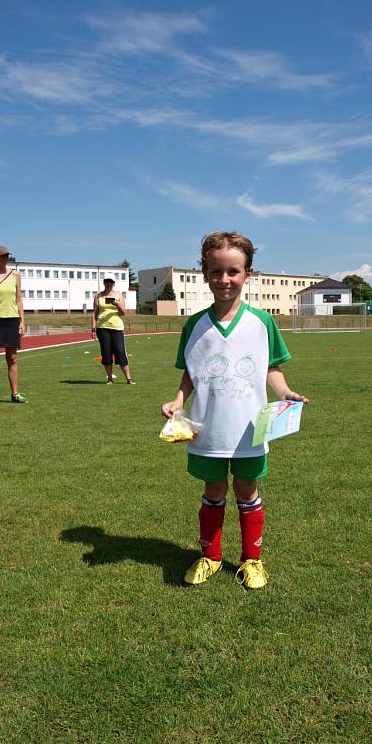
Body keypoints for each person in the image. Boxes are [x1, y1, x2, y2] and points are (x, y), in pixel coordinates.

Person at [161, 231, 308, 589]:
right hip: (207, 428)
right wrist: (179, 400)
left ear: (248, 273)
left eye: (233, 272)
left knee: (247, 490)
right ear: (204, 273)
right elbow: (191, 373)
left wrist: (286, 391)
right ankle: (210, 558)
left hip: (250, 428)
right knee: (213, 492)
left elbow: (272, 367)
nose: (224, 280)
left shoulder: (262, 322)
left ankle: (252, 561)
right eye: (215, 272)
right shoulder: (194, 325)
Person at [0, 245, 27, 407]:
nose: (5, 259)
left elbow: (19, 299)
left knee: (12, 358)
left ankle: (15, 394)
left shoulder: (15, 274)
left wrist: (22, 321)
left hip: (12, 319)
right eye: (2, 256)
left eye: (7, 256)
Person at [92, 277, 135, 384]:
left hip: (116, 327)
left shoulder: (119, 295)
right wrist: (93, 328)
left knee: (120, 352)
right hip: (102, 328)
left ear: (114, 283)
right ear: (104, 283)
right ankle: (110, 378)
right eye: (106, 281)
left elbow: (123, 313)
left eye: (111, 282)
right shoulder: (98, 296)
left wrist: (116, 304)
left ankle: (128, 378)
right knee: (106, 353)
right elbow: (95, 313)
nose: (108, 283)